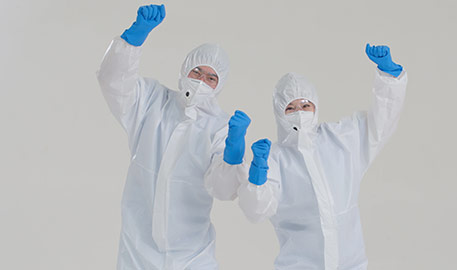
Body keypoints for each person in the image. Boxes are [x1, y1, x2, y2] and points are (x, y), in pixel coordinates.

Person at [219, 44, 408, 269]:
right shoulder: (274, 159)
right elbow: (256, 211)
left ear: (315, 106)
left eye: (305, 105)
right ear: (279, 113)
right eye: (291, 108)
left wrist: (389, 77)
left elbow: (380, 125)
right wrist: (258, 175)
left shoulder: (341, 140)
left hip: (351, 264)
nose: (300, 113)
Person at [96, 4, 250, 269]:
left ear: (219, 84)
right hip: (138, 248)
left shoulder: (220, 127)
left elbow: (223, 189)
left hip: (193, 254)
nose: (201, 80)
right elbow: (114, 84)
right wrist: (132, 41)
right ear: (185, 70)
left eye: (211, 77)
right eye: (196, 72)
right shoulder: (152, 100)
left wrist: (233, 151)